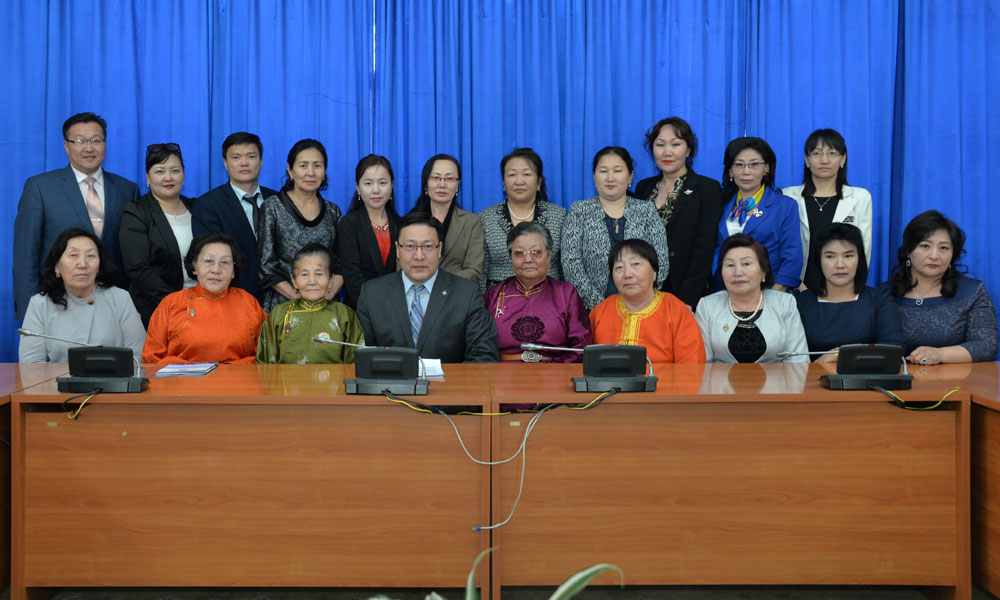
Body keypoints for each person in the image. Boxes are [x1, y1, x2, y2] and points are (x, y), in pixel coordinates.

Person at [13, 112, 139, 319]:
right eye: (80, 141)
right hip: (56, 301)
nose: (89, 148)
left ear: (105, 144)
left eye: (96, 140)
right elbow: (26, 255)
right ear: (66, 146)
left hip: (112, 305)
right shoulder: (40, 188)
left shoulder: (127, 189)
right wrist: (29, 311)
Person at [356, 212, 498, 363]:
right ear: (397, 249)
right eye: (410, 246)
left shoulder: (467, 294)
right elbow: (363, 356)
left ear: (439, 249)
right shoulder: (372, 294)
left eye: (428, 246)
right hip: (391, 378)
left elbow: (484, 355)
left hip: (449, 378)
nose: (419, 256)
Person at [881, 210, 998, 364]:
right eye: (925, 246)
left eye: (944, 248)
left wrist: (940, 354)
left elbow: (986, 345)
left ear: (953, 255)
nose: (934, 256)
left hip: (955, 378)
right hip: (896, 377)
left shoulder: (973, 292)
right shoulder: (882, 294)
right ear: (908, 251)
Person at [561, 146, 669, 310]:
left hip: (642, 308)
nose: (610, 178)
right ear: (594, 176)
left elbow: (660, 261)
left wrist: (641, 300)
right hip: (592, 310)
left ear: (630, 175)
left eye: (617, 171)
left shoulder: (646, 210)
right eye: (603, 171)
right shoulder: (579, 211)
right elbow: (571, 264)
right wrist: (601, 307)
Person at [633, 117, 724, 309]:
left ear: (688, 150)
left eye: (675, 144)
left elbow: (705, 249)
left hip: (688, 292)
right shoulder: (643, 188)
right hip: (644, 290)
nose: (667, 152)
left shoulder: (707, 188)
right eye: (660, 145)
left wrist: (686, 301)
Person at [19, 228, 145, 363]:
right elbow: (31, 364)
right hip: (56, 377)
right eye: (73, 255)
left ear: (99, 266)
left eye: (90, 256)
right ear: (56, 266)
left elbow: (138, 356)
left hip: (114, 376)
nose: (83, 264)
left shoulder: (119, 298)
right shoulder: (40, 304)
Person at [143, 233, 267, 364]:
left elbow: (266, 356)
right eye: (208, 261)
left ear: (233, 271)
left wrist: (226, 370)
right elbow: (151, 359)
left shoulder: (248, 302)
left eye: (225, 262)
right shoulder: (171, 303)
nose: (216, 269)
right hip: (182, 377)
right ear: (194, 265)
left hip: (239, 377)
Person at [120, 143, 206, 326]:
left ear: (183, 175)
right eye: (160, 171)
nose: (168, 177)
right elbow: (138, 269)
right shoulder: (137, 212)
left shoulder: (199, 208)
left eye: (175, 170)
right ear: (148, 177)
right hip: (157, 310)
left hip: (203, 307)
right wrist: (177, 305)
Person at [484, 222, 591, 362]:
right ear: (511, 258)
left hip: (555, 372)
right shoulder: (494, 295)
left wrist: (554, 370)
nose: (528, 259)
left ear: (549, 255)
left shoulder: (565, 294)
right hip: (503, 371)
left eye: (536, 252)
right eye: (519, 253)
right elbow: (481, 347)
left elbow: (581, 348)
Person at [795, 223, 902, 362]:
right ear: (818, 260)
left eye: (848, 256)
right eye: (830, 256)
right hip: (812, 374)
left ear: (860, 259)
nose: (840, 265)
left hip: (867, 375)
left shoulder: (879, 299)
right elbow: (791, 357)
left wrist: (838, 354)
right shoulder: (801, 303)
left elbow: (893, 348)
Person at [258, 139, 343, 312]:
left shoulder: (333, 211)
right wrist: (296, 296)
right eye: (303, 166)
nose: (310, 173)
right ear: (290, 170)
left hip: (325, 304)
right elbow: (266, 265)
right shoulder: (272, 207)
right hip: (285, 303)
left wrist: (328, 293)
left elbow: (341, 262)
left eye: (317, 166)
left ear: (324, 172)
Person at [193, 132, 278, 303]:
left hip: (279, 298)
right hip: (232, 299)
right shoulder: (208, 205)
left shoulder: (278, 200)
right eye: (236, 157)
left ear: (261, 161)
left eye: (251, 156)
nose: (244, 163)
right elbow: (212, 258)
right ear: (225, 163)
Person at [696, 234, 809, 363]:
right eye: (730, 265)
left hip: (778, 376)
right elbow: (702, 363)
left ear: (763, 272)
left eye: (746, 264)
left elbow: (798, 360)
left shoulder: (784, 303)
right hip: (720, 377)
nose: (738, 272)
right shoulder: (707, 306)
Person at [783, 128, 873, 287]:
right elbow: (782, 248)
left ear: (843, 159)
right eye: (816, 153)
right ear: (806, 160)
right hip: (796, 286)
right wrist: (797, 286)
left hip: (841, 287)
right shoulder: (788, 196)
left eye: (832, 153)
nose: (824, 160)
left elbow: (863, 248)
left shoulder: (860, 197)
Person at [590, 239, 704, 363]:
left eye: (636, 264)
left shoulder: (675, 310)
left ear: (654, 273)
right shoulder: (600, 312)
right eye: (619, 267)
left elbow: (691, 366)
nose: (627, 274)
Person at [716, 137, 802, 291]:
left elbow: (792, 258)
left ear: (766, 168)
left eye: (754, 164)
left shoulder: (784, 206)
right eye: (739, 165)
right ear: (730, 171)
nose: (746, 171)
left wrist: (772, 296)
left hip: (770, 292)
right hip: (726, 293)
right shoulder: (721, 204)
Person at [256, 243, 364, 364]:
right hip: (287, 377)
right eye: (304, 274)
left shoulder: (344, 315)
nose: (312, 281)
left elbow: (356, 363)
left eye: (319, 274)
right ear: (294, 280)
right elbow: (265, 364)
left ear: (330, 280)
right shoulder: (279, 314)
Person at [479, 148, 567, 290]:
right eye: (512, 174)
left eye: (526, 174)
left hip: (549, 296)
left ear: (539, 182)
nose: (519, 181)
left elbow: (566, 268)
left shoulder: (559, 216)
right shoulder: (485, 219)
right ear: (503, 182)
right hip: (500, 297)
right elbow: (481, 273)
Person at [337, 154, 400, 309]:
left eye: (382, 183)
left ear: (392, 185)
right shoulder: (348, 224)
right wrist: (374, 310)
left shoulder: (401, 225)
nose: (376, 190)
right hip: (360, 309)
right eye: (368, 183)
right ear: (358, 187)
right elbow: (352, 277)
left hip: (396, 309)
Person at [409, 154, 483, 282]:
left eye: (449, 178)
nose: (442, 184)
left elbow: (473, 270)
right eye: (436, 178)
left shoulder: (471, 222)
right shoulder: (409, 222)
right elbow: (402, 266)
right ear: (426, 183)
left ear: (457, 185)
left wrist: (440, 285)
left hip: (456, 291)